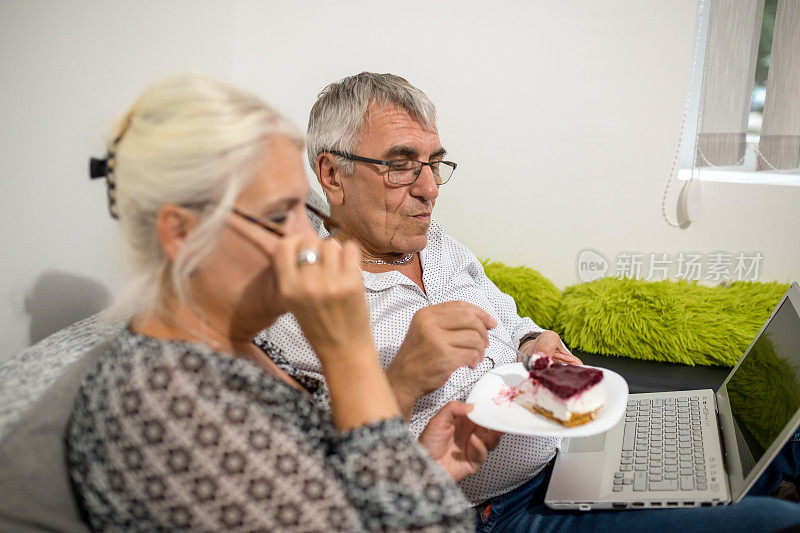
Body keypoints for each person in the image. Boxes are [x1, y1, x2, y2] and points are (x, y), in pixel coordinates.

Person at [260, 72, 800, 531]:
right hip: (506, 510)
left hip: (572, 445)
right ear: (333, 175)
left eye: (435, 163)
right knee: (773, 524)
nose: (429, 189)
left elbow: (510, 316)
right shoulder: (298, 305)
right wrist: (402, 379)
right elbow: (321, 477)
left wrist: (533, 344)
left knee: (774, 430)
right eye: (401, 166)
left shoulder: (433, 240)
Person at [67, 73, 502, 531]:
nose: (308, 240)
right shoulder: (158, 401)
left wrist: (420, 472)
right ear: (182, 234)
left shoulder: (244, 346)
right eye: (278, 215)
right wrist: (349, 353)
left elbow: (334, 489)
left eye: (304, 210)